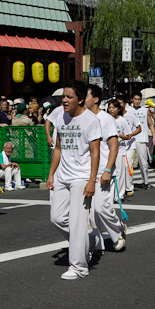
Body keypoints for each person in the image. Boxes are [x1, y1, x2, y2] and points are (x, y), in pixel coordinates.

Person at [48, 80, 101, 280]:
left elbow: (95, 153)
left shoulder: (90, 120)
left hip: (81, 177)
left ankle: (79, 266)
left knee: (78, 222)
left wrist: (91, 181)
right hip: (63, 175)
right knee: (57, 217)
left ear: (80, 99)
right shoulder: (61, 117)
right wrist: (52, 173)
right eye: (63, 96)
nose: (64, 100)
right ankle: (86, 240)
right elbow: (58, 148)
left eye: (69, 97)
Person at [86, 84, 126, 253]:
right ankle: (96, 242)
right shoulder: (82, 118)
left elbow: (114, 146)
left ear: (95, 99)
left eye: (85, 96)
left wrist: (108, 169)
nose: (82, 99)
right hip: (85, 171)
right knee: (88, 211)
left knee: (100, 207)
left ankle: (118, 229)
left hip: (102, 170)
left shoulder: (106, 119)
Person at [108, 99, 135, 202]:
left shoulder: (122, 121)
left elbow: (128, 136)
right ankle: (110, 195)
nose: (111, 110)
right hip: (109, 151)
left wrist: (120, 136)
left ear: (118, 109)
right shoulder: (106, 119)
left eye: (113, 108)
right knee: (110, 173)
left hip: (120, 150)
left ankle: (119, 195)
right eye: (110, 108)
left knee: (119, 174)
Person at [130, 92, 155, 190]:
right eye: (135, 99)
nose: (137, 101)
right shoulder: (128, 110)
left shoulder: (145, 111)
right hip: (130, 140)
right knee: (129, 163)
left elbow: (150, 124)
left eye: (138, 99)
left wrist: (154, 136)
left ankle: (145, 181)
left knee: (143, 163)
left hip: (141, 139)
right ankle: (129, 184)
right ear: (132, 99)